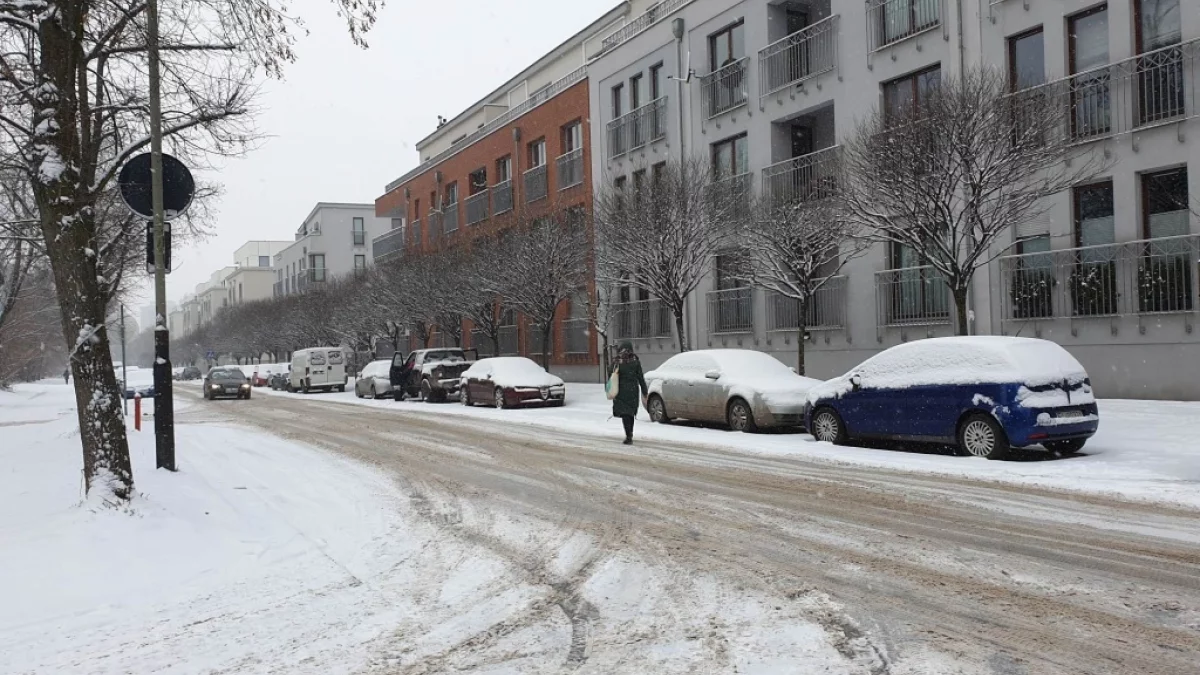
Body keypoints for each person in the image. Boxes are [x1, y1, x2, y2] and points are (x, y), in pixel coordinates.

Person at [611, 341, 648, 445]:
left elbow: (611, 373)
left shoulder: (618, 361)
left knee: (625, 414)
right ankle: (630, 433)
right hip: (633, 391)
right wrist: (645, 392)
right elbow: (640, 377)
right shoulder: (635, 361)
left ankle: (628, 435)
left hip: (621, 391)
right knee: (630, 413)